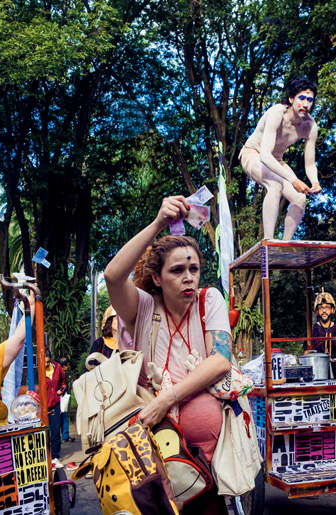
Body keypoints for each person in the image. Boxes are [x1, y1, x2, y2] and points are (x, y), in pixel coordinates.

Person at [105, 195, 233, 514]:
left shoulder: (209, 300)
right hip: (151, 472)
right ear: (157, 278)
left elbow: (220, 360)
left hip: (205, 473)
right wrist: (158, 223)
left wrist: (167, 400)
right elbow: (112, 276)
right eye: (177, 270)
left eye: (194, 268)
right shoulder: (143, 307)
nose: (188, 276)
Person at [239, 77, 322, 240]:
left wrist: (315, 181)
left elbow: (310, 163)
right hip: (253, 154)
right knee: (275, 184)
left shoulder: (310, 126)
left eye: (310, 100)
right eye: (302, 98)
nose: (306, 104)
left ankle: (285, 245)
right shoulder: (277, 113)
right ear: (291, 99)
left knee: (300, 198)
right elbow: (265, 156)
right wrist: (294, 180)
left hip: (276, 160)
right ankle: (269, 241)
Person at [306, 291, 336, 379]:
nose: (324, 311)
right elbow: (307, 354)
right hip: (317, 374)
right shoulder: (312, 330)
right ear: (317, 311)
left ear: (333, 310)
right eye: (321, 308)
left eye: (327, 307)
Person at [44, 350, 65, 468]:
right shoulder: (37, 370)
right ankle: (45, 456)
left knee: (56, 432)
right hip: (43, 405)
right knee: (44, 433)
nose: (46, 364)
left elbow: (63, 382)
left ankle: (55, 457)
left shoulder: (57, 367)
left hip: (55, 404)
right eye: (44, 362)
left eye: (48, 362)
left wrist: (61, 390)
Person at [58, 357, 73, 442]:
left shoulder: (55, 372)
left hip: (57, 398)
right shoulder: (62, 374)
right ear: (64, 366)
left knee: (59, 418)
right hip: (62, 397)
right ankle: (65, 436)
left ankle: (62, 435)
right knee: (64, 417)